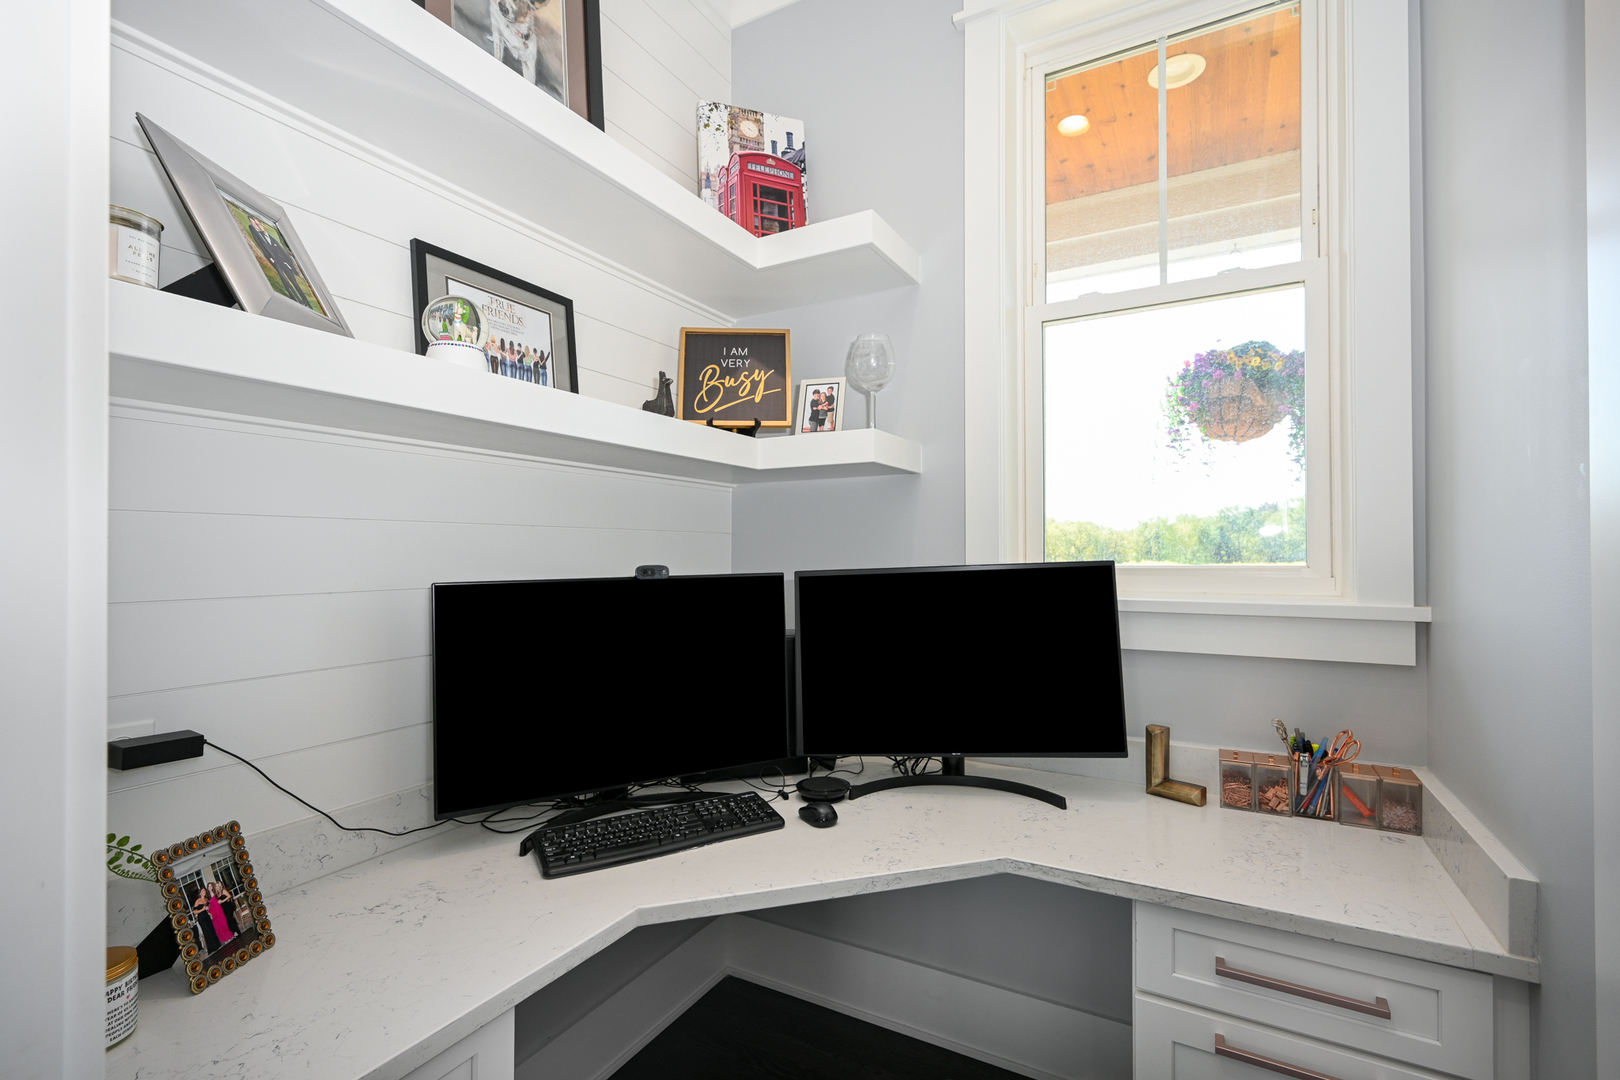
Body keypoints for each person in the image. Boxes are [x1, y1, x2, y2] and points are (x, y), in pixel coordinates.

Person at [192, 880, 236, 953]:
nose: (209, 888)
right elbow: (197, 910)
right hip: (210, 914)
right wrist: (206, 910)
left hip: (218, 911)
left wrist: (225, 900)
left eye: (210, 886)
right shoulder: (206, 897)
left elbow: (222, 898)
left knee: (223, 923)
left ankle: (227, 937)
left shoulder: (214, 894)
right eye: (208, 886)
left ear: (212, 887)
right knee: (216, 927)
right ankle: (221, 941)